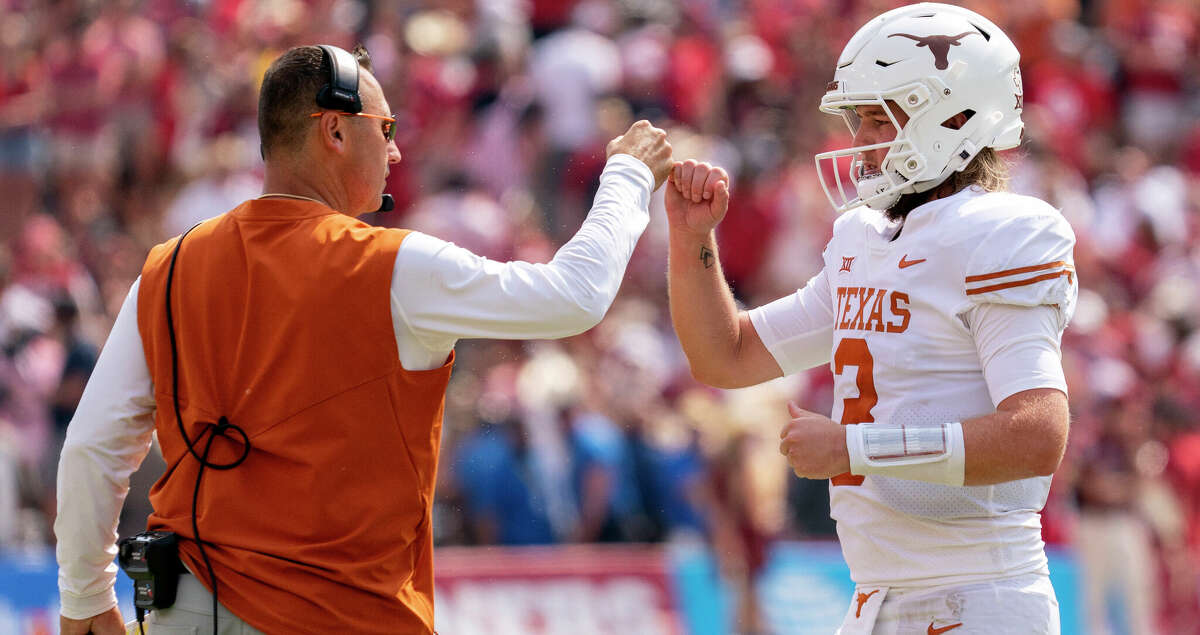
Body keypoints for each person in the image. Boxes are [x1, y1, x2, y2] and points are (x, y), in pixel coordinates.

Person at [55, 44, 672, 634]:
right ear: (335, 131)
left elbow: (92, 447)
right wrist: (628, 175)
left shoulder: (168, 265)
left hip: (187, 610)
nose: (397, 153)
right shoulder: (392, 265)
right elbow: (575, 296)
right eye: (387, 128)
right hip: (345, 616)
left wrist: (85, 594)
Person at [665, 4, 1075, 633]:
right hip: (875, 599)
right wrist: (693, 240)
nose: (859, 140)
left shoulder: (1003, 231)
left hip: (979, 595)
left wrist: (854, 446)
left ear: (956, 115)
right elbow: (725, 355)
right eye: (856, 119)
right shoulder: (865, 237)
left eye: (879, 118)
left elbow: (1037, 435)